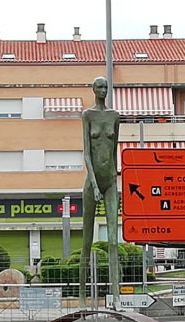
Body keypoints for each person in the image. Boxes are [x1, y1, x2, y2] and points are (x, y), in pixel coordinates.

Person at [79, 77, 120, 307]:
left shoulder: (114, 116)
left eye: (106, 87)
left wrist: (114, 179)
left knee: (114, 241)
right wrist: (94, 185)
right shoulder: (88, 115)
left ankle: (116, 297)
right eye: (99, 87)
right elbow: (87, 153)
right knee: (86, 241)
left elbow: (114, 151)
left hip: (111, 182)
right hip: (92, 182)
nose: (103, 90)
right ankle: (83, 297)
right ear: (93, 90)